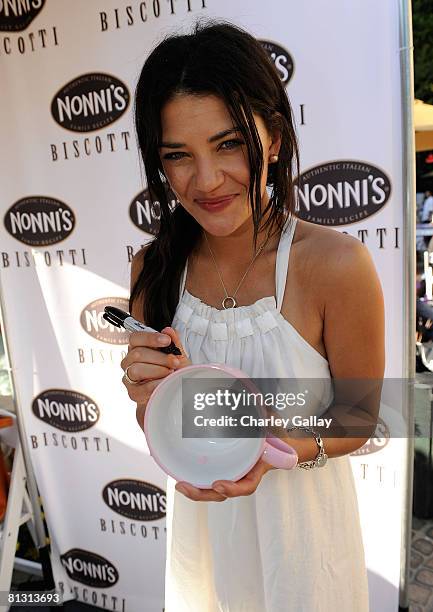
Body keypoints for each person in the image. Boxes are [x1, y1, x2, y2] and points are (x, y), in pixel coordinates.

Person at [120, 19, 385, 612]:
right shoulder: (152, 270)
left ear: (273, 136)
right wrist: (148, 393)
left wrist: (269, 445)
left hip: (304, 546)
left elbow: (362, 414)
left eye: (228, 143)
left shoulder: (335, 264)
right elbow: (161, 423)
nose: (207, 180)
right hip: (205, 542)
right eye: (178, 156)